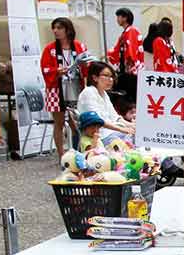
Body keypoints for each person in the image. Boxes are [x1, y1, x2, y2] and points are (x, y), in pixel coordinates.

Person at [40, 17, 89, 155]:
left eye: (59, 28)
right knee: (59, 123)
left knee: (77, 122)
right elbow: (45, 68)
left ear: (68, 30)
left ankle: (79, 152)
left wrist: (84, 66)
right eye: (54, 28)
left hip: (76, 87)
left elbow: (87, 67)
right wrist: (57, 71)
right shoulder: (49, 49)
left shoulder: (79, 46)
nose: (55, 31)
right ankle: (61, 155)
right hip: (56, 89)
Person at [76, 61, 135, 144]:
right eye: (106, 76)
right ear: (95, 78)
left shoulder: (104, 93)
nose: (111, 80)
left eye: (111, 76)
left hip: (112, 132)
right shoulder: (88, 92)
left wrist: (131, 125)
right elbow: (98, 121)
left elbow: (115, 117)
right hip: (100, 136)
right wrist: (123, 130)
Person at [106, 7, 143, 105]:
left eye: (119, 17)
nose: (117, 19)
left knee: (131, 98)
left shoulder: (131, 31)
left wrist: (129, 65)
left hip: (131, 71)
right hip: (126, 70)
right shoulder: (126, 32)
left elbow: (131, 50)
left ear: (125, 18)